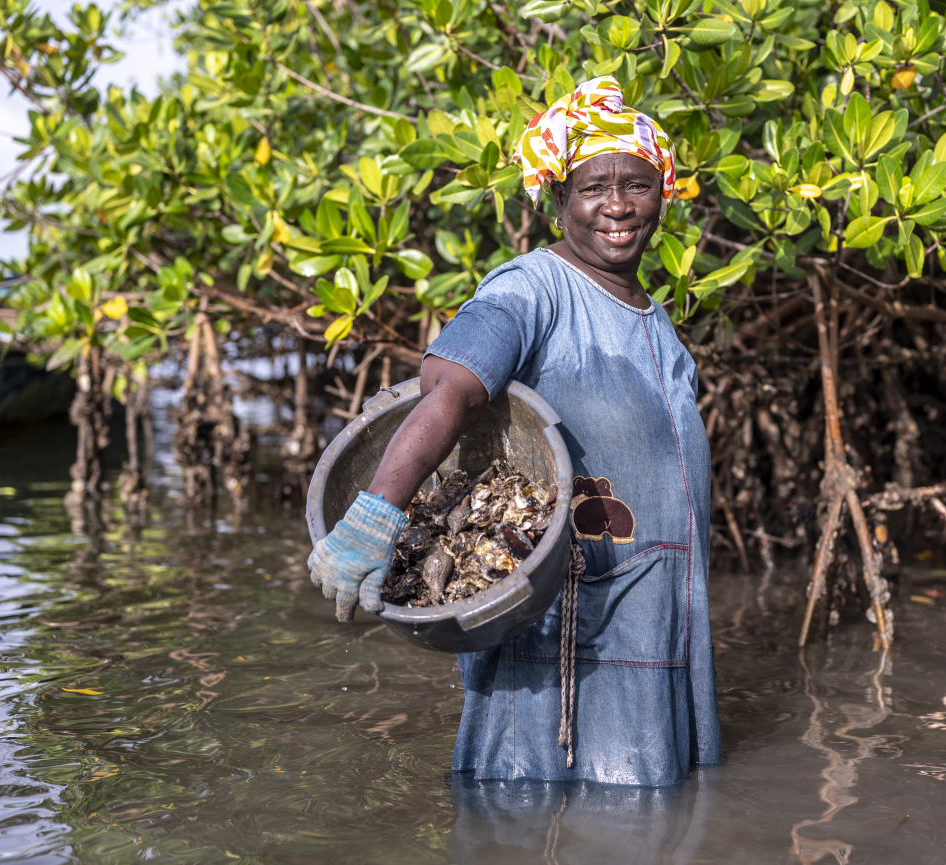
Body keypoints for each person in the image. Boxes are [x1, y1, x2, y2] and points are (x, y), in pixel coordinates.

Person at [308, 76, 722, 786]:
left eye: (638, 185)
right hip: (564, 633)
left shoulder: (656, 320)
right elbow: (452, 388)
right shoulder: (531, 288)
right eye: (594, 187)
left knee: (662, 810)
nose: (618, 206)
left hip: (660, 622)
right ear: (559, 199)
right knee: (532, 808)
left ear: (665, 194)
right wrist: (377, 512)